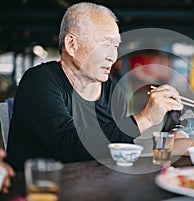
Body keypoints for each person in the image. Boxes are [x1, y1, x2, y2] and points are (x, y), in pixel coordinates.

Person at [5, 2, 182, 170]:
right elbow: (67, 146)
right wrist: (145, 119)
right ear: (71, 45)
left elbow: (117, 150)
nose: (113, 57)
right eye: (105, 44)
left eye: (116, 46)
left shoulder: (113, 92)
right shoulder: (39, 82)